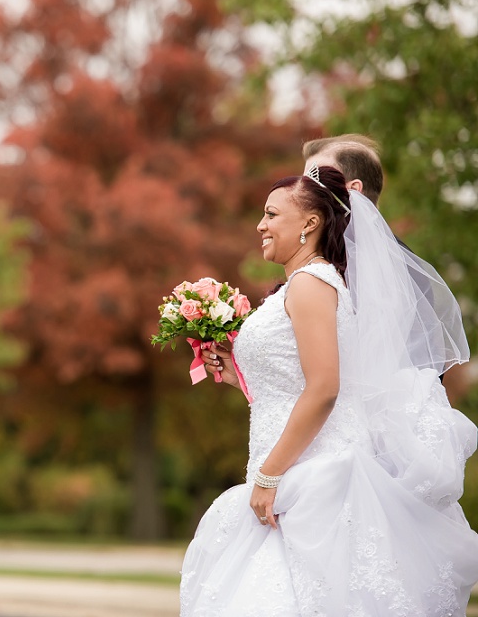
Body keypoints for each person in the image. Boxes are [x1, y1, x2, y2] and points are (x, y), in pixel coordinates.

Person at [179, 165, 478, 616]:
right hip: (289, 467)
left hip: (311, 476)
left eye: (272, 214)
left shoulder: (311, 285)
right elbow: (293, 386)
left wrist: (269, 475)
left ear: (310, 223)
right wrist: (234, 374)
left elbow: (323, 390)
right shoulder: (302, 285)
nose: (260, 225)